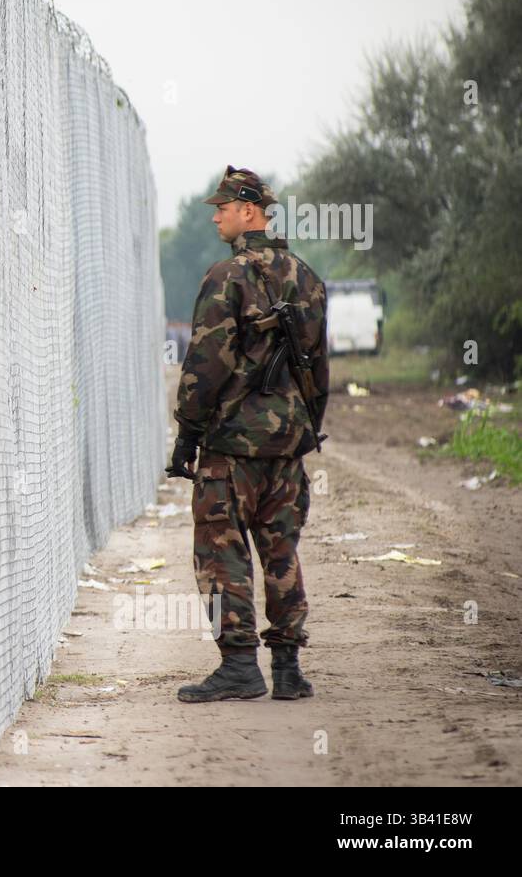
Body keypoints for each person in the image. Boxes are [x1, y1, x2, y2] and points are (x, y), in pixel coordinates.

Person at [167, 165, 329, 703]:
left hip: (231, 448)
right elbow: (319, 372)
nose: (215, 216)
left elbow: (205, 364)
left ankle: (239, 665)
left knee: (220, 552)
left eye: (223, 208)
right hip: (287, 448)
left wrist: (189, 432)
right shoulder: (307, 278)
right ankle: (288, 668)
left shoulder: (225, 278)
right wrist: (306, 428)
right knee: (281, 551)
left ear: (250, 211)